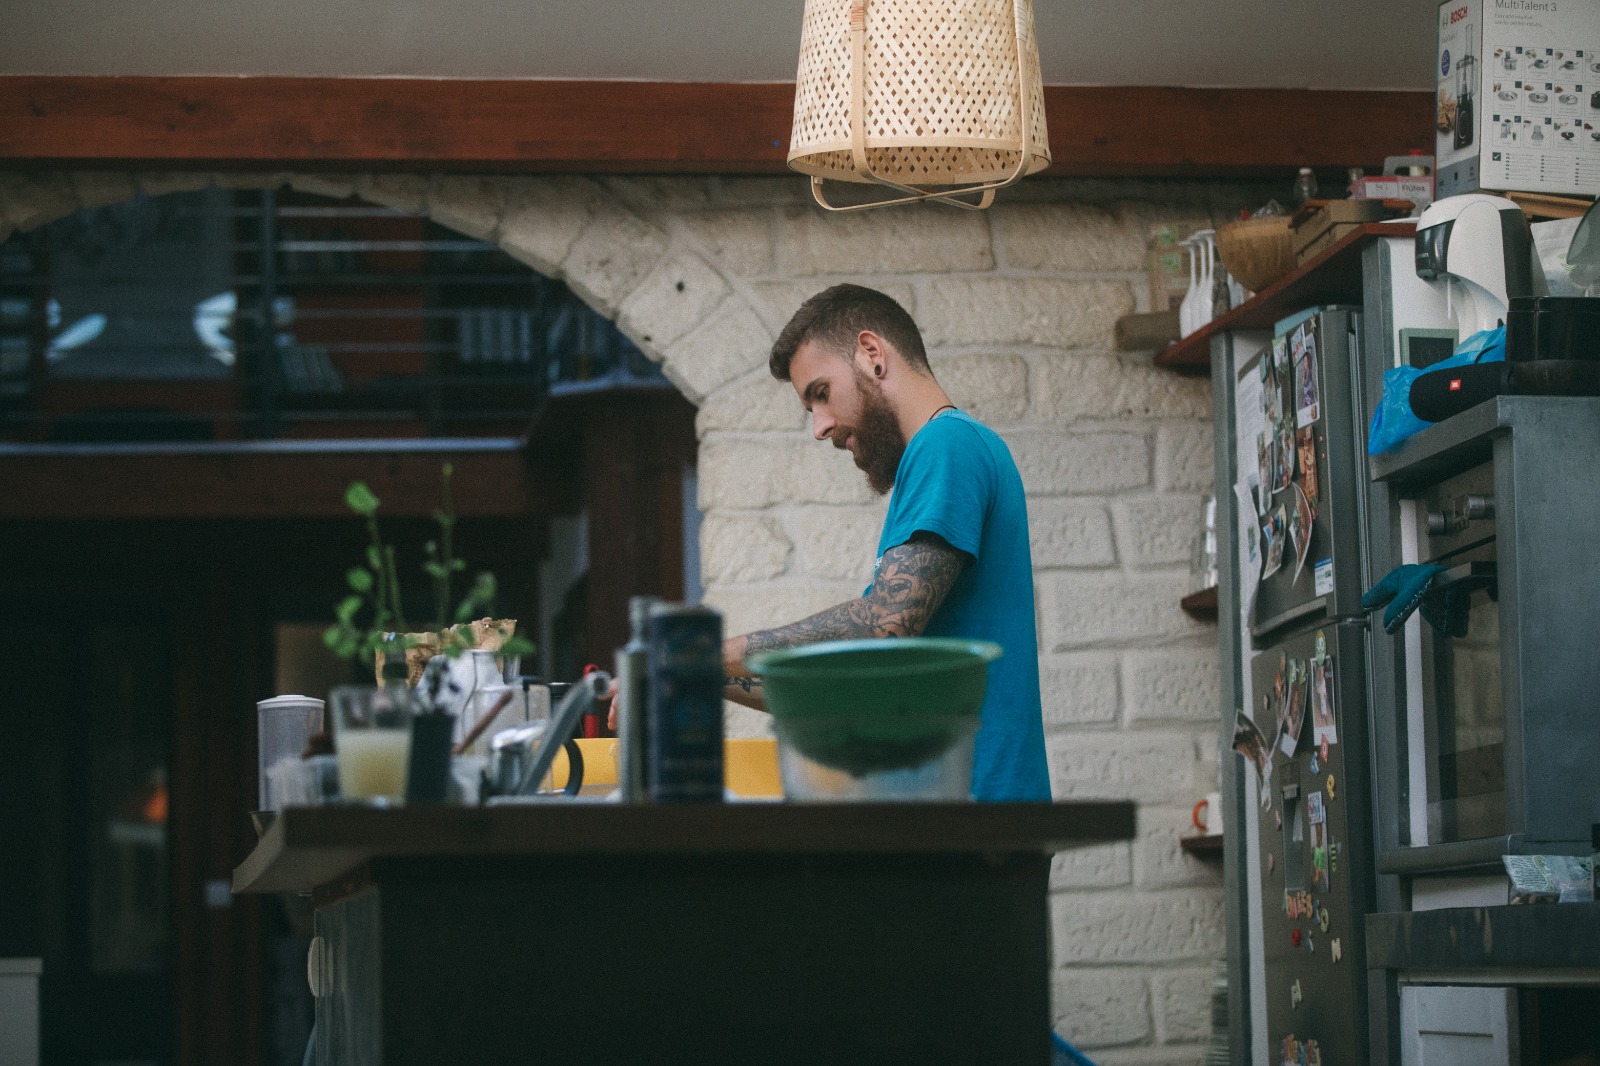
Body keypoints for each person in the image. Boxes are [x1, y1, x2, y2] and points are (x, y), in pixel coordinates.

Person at [721, 284, 1050, 802]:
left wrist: (697, 655)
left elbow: (883, 623)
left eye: (821, 393)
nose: (819, 427)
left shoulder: (946, 445)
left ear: (872, 354)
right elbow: (852, 688)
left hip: (976, 813)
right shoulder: (945, 453)